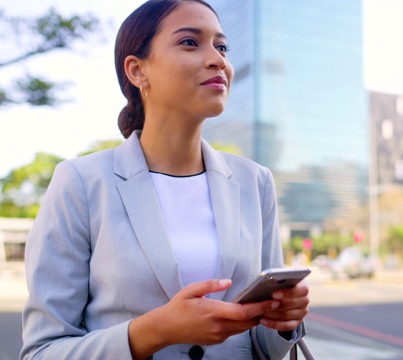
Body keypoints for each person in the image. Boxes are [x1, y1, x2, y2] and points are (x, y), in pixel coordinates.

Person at [20, 1, 310, 359]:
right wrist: (154, 331)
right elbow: (42, 351)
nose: (217, 59)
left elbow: (261, 349)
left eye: (222, 47)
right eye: (190, 42)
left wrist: (282, 322)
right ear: (137, 70)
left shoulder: (255, 182)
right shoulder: (80, 182)